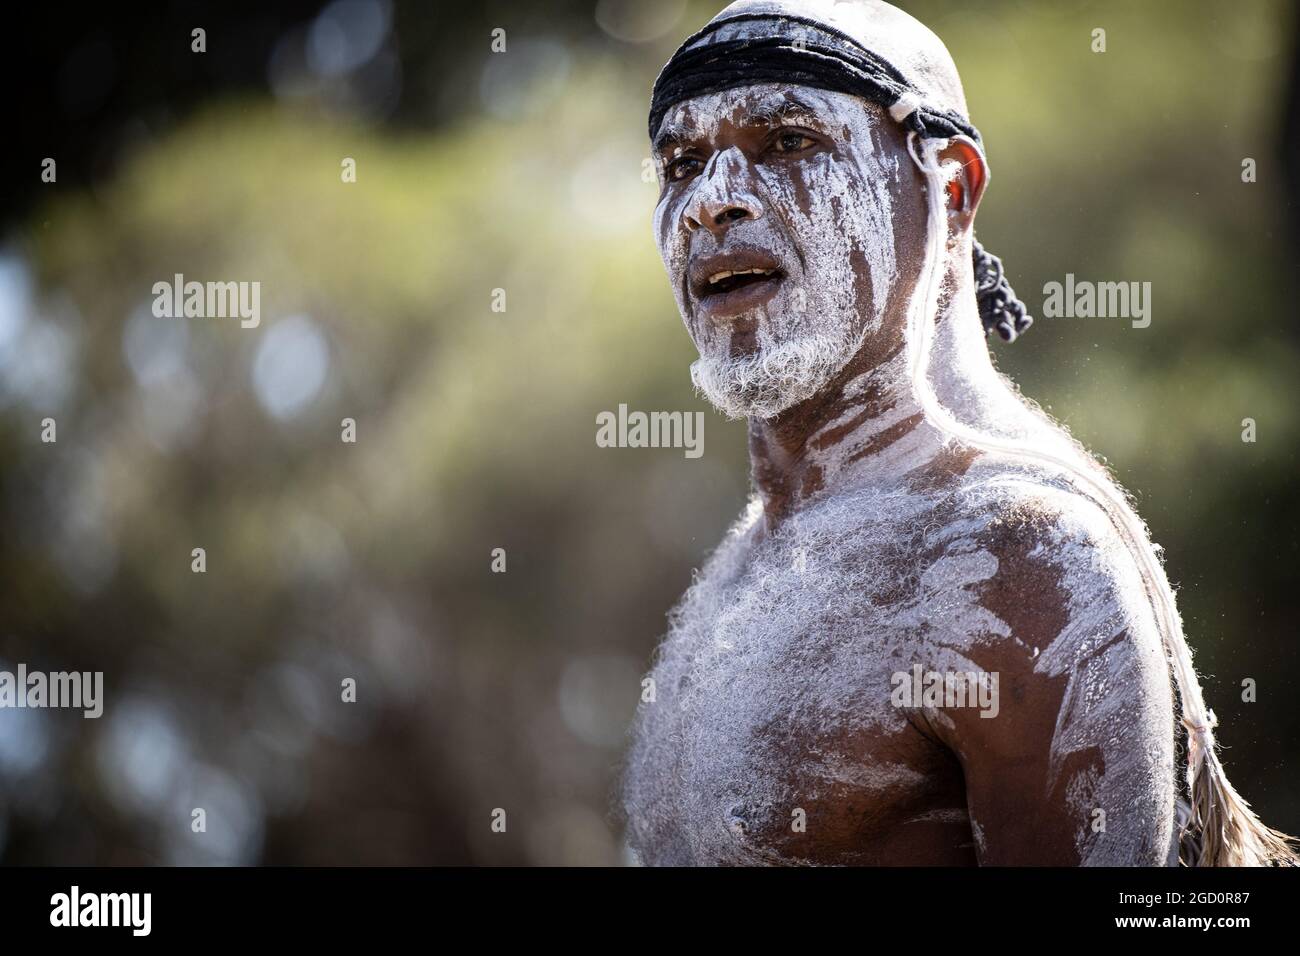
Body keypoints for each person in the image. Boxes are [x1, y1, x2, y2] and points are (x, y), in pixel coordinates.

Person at [621, 0, 1297, 866]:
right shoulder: (744, 564)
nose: (710, 203)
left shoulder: (1013, 558)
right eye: (681, 162)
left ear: (951, 187)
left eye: (788, 143)